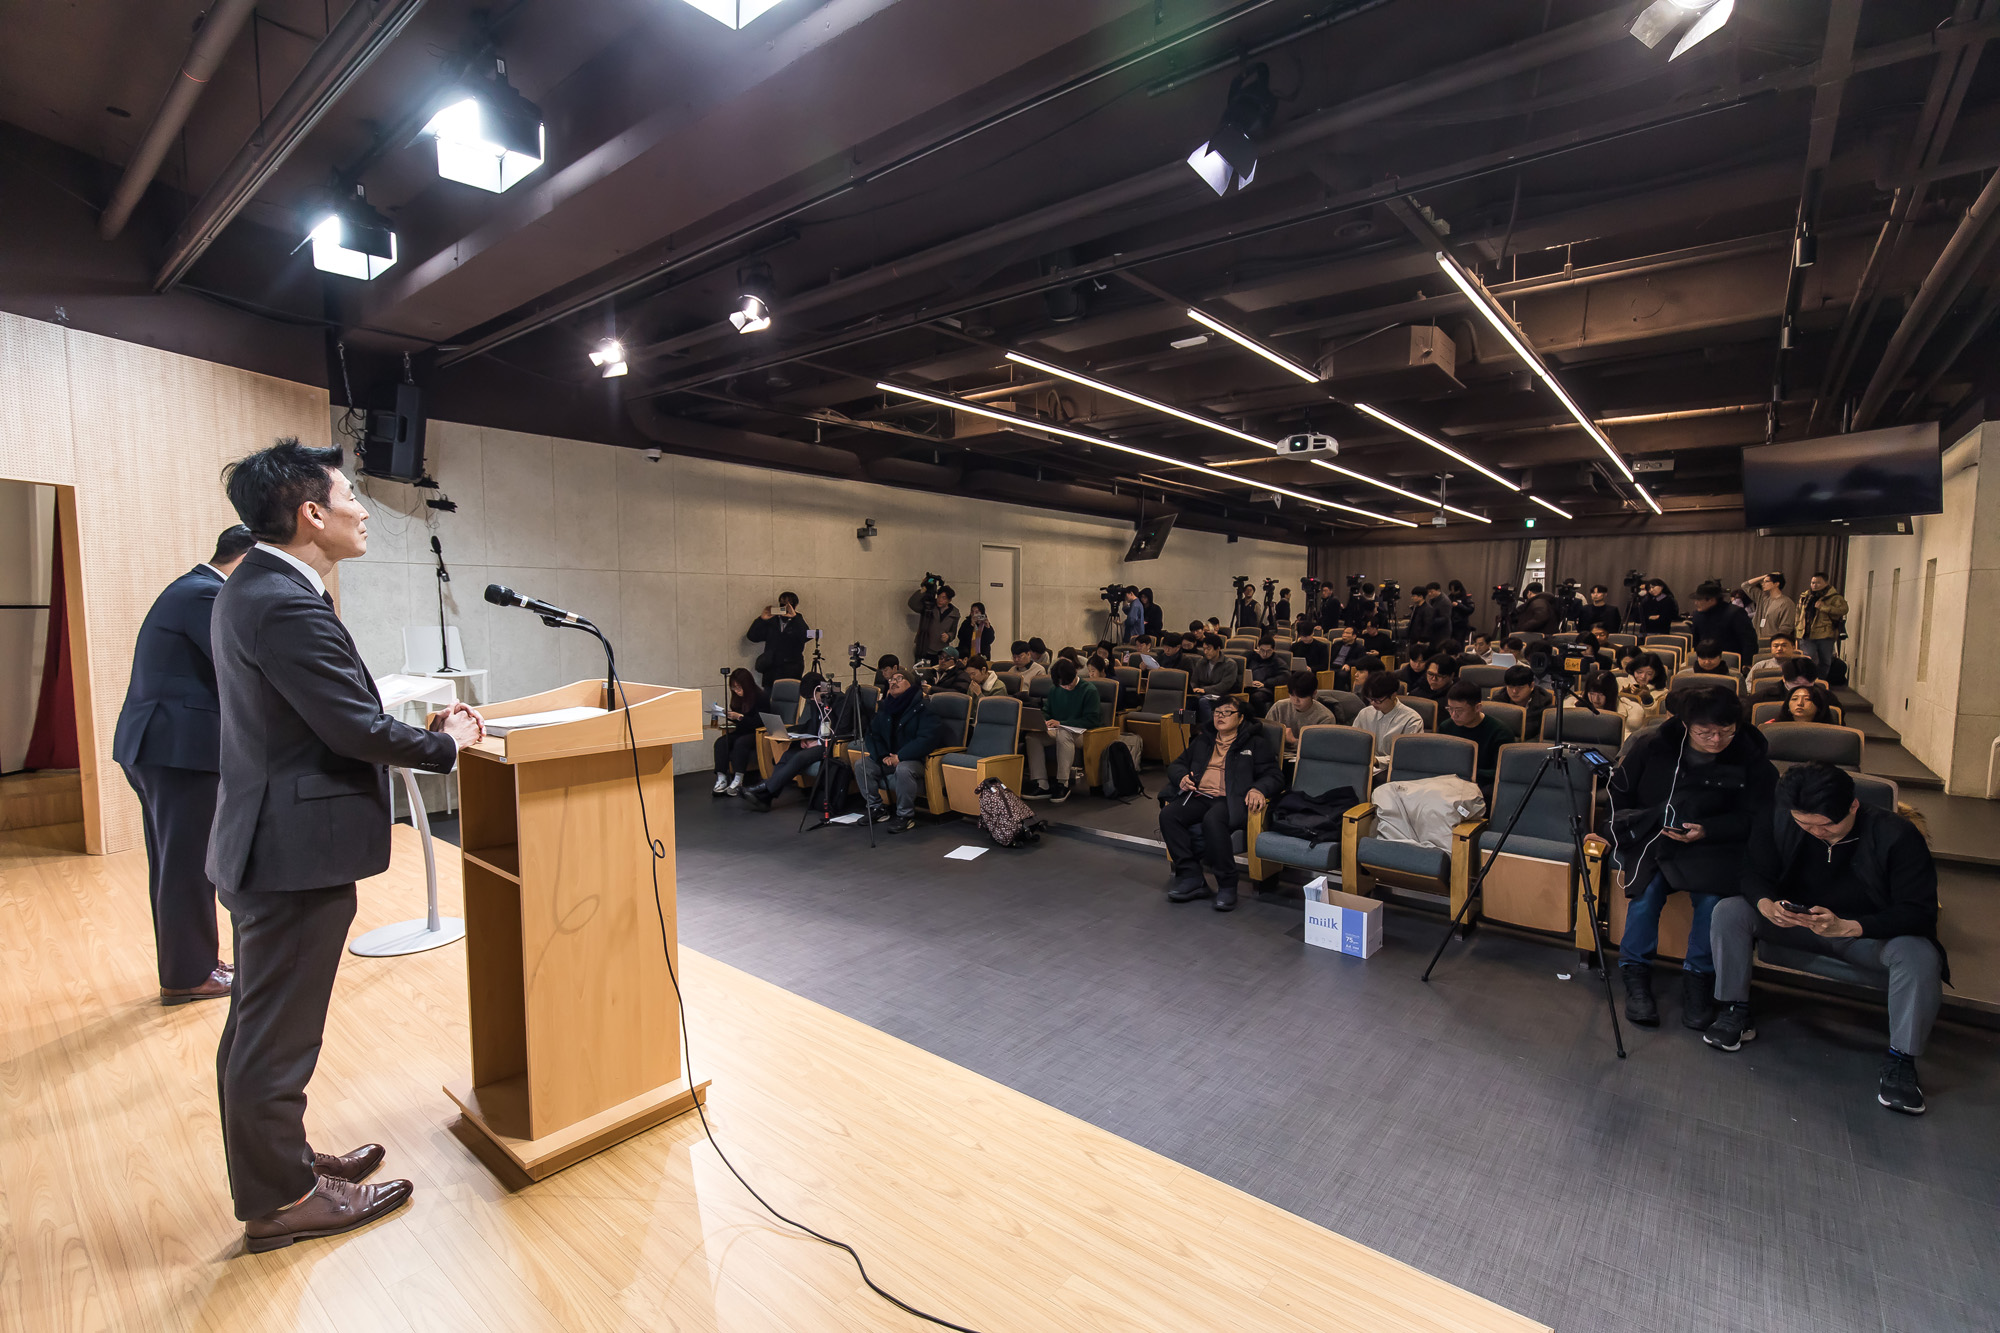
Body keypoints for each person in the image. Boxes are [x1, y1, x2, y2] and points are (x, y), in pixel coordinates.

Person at [208, 439, 481, 1251]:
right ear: (311, 514)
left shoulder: (259, 584)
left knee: (264, 1023)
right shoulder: (283, 598)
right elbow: (349, 725)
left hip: (275, 839)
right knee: (276, 1032)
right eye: (350, 494)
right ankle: (284, 1198)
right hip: (291, 850)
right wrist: (449, 743)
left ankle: (283, 1162)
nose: (363, 508)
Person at [1707, 763, 1946, 1113]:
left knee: (1919, 955)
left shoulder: (1896, 834)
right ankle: (1735, 1011)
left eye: (1827, 825)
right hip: (1797, 924)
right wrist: (1766, 903)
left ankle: (1901, 1061)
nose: (1817, 832)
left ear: (1853, 806)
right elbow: (1752, 871)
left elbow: (1920, 910)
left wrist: (1850, 926)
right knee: (1730, 911)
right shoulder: (1779, 818)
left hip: (1863, 934)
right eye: (1806, 824)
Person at [114, 523, 257, 1006]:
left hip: (164, 747)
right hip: (176, 750)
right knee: (188, 865)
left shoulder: (192, 589)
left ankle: (193, 964)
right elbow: (241, 664)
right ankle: (188, 975)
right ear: (247, 559)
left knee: (177, 862)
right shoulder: (204, 595)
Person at [1605, 685, 1775, 1031]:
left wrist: (1708, 830)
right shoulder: (1652, 746)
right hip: (1656, 838)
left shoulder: (1751, 757)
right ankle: (1635, 973)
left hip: (1716, 845)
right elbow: (1619, 793)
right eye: (1705, 732)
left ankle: (1698, 977)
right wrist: (1618, 829)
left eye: (1726, 731)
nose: (1716, 740)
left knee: (1713, 901)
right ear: (1685, 724)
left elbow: (1758, 818)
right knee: (1645, 895)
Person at [1159, 697, 1281, 912]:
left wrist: (1258, 789)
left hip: (1231, 799)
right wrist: (1181, 778)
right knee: (1169, 814)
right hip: (1200, 795)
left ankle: (1227, 884)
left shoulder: (1255, 743)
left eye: (1227, 712)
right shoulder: (1204, 740)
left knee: (1212, 820)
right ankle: (1191, 876)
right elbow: (1178, 764)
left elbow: (1274, 775)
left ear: (1241, 718)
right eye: (1217, 712)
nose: (1220, 716)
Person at [855, 669, 948, 833]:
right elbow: (872, 734)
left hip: (916, 760)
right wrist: (882, 755)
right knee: (862, 765)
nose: (893, 682)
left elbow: (927, 739)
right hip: (889, 758)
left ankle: (905, 816)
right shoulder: (885, 707)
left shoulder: (924, 707)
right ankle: (877, 808)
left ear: (911, 684)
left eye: (899, 678)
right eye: (891, 680)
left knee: (904, 769)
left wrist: (901, 756)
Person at [741, 675, 839, 811]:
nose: (812, 701)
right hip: (816, 740)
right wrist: (804, 738)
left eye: (812, 697)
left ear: (821, 689)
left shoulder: (838, 700)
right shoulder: (816, 701)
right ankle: (766, 798)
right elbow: (813, 724)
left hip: (830, 744)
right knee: (787, 755)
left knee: (800, 757)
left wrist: (817, 742)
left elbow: (840, 728)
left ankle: (764, 787)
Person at [1024, 658, 1102, 801]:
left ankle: (1063, 783)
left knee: (1064, 734)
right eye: (1062, 685)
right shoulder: (1055, 689)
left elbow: (1091, 720)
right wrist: (1044, 720)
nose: (1065, 687)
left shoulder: (1089, 690)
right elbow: (1047, 710)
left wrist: (1062, 723)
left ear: (1075, 675)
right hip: (1059, 730)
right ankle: (1042, 783)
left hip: (1084, 733)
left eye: (1068, 684)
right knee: (1032, 737)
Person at [1437, 681, 1511, 783]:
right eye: (1450, 709)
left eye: (1459, 710)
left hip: (1483, 785)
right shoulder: (1446, 727)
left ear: (1477, 707)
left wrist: (1467, 772)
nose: (1453, 715)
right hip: (1449, 782)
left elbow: (1502, 772)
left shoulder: (1500, 732)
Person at [1353, 671, 1424, 770]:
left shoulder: (1411, 719)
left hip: (1394, 770)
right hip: (1365, 767)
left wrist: (1378, 761)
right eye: (1370, 699)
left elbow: (1409, 757)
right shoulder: (1365, 713)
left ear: (1393, 695)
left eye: (1378, 700)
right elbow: (1354, 743)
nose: (1373, 703)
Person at [712, 667, 766, 795]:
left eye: (739, 688)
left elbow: (759, 722)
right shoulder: (737, 698)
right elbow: (740, 721)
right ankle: (722, 777)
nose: (737, 691)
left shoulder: (760, 697)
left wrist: (740, 717)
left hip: (756, 732)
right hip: (742, 730)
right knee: (721, 742)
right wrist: (731, 716)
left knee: (741, 743)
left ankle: (738, 779)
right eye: (734, 688)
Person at [744, 592, 809, 691]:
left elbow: (806, 636)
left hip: (792, 670)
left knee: (790, 700)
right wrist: (761, 619)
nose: (785, 607)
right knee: (769, 701)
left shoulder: (798, 621)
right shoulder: (772, 620)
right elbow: (752, 636)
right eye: (782, 604)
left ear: (795, 605)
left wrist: (794, 617)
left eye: (789, 604)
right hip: (771, 670)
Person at [1689, 580, 1757, 668]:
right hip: (1704, 661)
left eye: (1699, 600)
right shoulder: (1697, 615)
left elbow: (1749, 640)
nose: (1696, 603)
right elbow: (1696, 641)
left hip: (1731, 662)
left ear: (1711, 600)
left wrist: (1747, 663)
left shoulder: (1735, 612)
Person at [1267, 671, 1335, 753]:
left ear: (1314, 694)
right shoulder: (1279, 707)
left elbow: (1322, 748)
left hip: (1308, 759)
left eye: (1301, 696)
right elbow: (1265, 735)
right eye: (1292, 695)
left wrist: (1294, 741)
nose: (1295, 701)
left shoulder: (1325, 717)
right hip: (1277, 756)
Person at [1797, 572, 1848, 677]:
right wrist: (1797, 627)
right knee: (1807, 658)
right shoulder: (1806, 596)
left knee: (1825, 661)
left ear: (1826, 583)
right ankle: (1807, 680)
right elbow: (1798, 613)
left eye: (1818, 583)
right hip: (1807, 633)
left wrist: (1824, 607)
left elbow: (1843, 610)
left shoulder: (1834, 597)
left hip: (1825, 634)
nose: (1814, 585)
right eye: (1812, 583)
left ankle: (1821, 681)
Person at [1491, 665, 1551, 743]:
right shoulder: (1498, 702)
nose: (1514, 691)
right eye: (1510, 687)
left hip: (1529, 748)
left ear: (1532, 686)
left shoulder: (1545, 703)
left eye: (1520, 687)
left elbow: (1543, 735)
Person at [1583, 670, 1648, 738]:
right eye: (1592, 694)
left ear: (1611, 694)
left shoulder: (1632, 713)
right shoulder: (1573, 708)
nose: (1596, 699)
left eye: (1601, 695)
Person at [908, 581, 960, 662]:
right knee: (922, 672)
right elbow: (912, 604)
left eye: (943, 598)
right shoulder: (929, 606)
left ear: (949, 600)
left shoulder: (954, 613)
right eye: (938, 596)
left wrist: (948, 636)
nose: (940, 600)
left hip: (941, 650)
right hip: (924, 646)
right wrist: (923, 589)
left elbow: (953, 632)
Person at [1739, 571, 1798, 641]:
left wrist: (1776, 640)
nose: (1763, 584)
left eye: (1766, 581)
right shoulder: (1763, 598)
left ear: (1776, 584)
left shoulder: (1787, 603)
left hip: (1773, 641)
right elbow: (1745, 585)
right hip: (1757, 639)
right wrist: (1765, 576)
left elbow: (1786, 627)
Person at [1244, 638, 1288, 718]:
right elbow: (1238, 667)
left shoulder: (1277, 661)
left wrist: (1265, 683)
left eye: (1268, 651)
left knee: (1256, 698)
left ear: (1273, 650)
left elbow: (1285, 677)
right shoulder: (1250, 656)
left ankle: (1262, 719)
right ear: (1258, 648)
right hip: (1248, 686)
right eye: (1262, 650)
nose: (1264, 654)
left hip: (1266, 689)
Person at [1188, 634, 1242, 700]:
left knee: (1203, 701)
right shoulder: (1201, 662)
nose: (1205, 652)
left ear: (1218, 649)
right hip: (1201, 694)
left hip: (1222, 696)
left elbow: (1225, 685)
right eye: (1204, 649)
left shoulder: (1230, 664)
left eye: (1208, 649)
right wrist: (1195, 689)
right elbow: (1194, 681)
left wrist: (1204, 690)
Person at [1406, 582, 1452, 649]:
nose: (1429, 594)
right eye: (1428, 592)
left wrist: (1430, 621)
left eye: (1431, 592)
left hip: (1442, 632)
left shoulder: (1445, 601)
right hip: (1433, 631)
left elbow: (1445, 618)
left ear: (1438, 590)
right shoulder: (1432, 600)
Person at [1770, 682, 1838, 725]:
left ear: (1819, 705)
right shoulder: (1771, 728)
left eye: (1807, 699)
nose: (1800, 703)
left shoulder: (1831, 733)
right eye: (1794, 699)